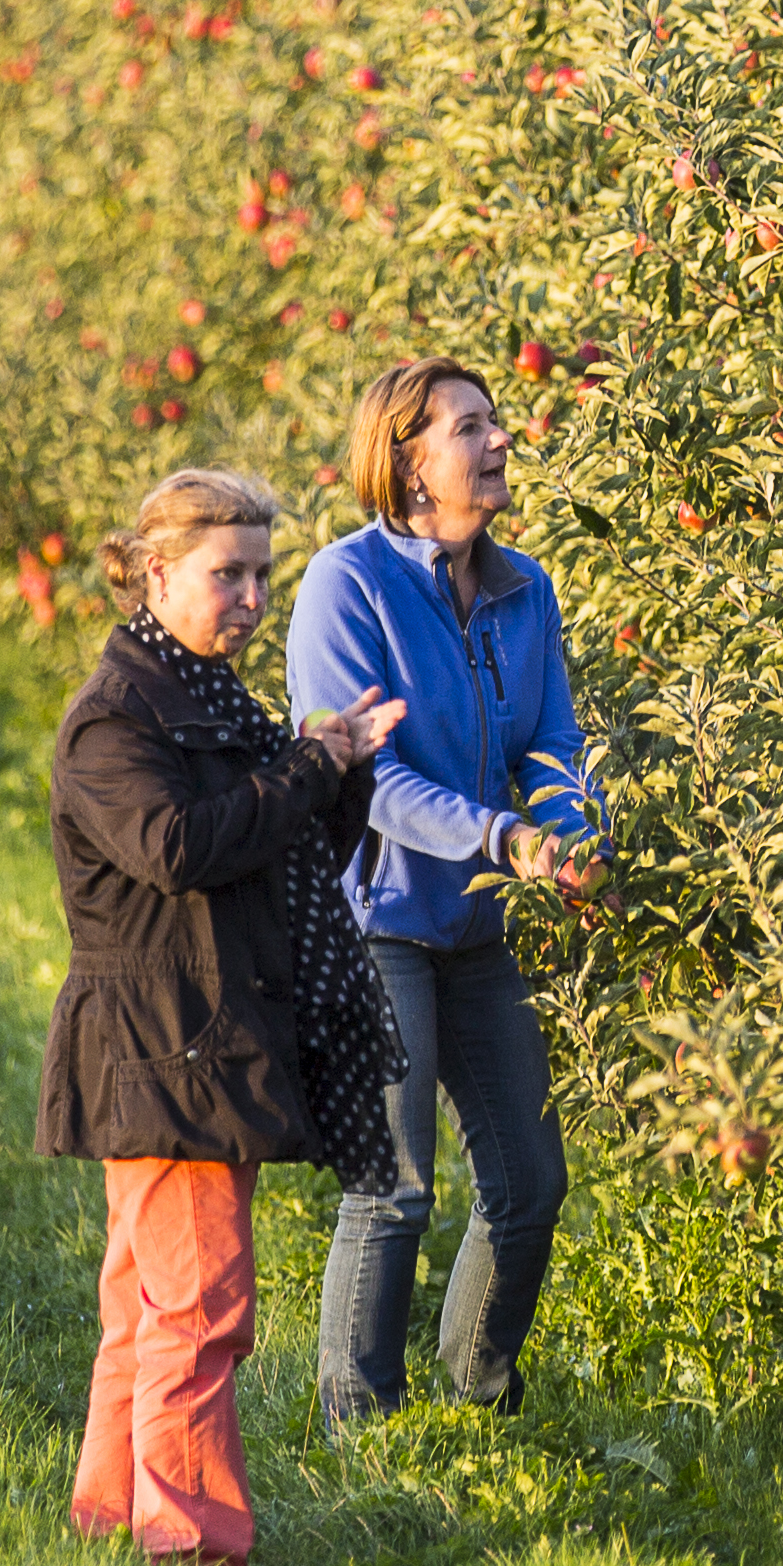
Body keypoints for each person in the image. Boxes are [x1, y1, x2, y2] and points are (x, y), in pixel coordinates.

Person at [40, 467, 408, 1566]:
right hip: (164, 1045)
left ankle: (118, 1517)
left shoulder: (207, 699)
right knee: (201, 1306)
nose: (249, 597)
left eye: (262, 574)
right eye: (225, 574)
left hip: (190, 1037)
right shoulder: (119, 717)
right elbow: (181, 849)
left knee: (147, 1303)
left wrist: (338, 773)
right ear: (155, 573)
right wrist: (309, 762)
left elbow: (279, 860)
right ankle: (195, 1547)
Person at [290, 357, 599, 1424]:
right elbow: (364, 774)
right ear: (409, 462)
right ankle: (359, 1427)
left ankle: (478, 1407)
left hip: (480, 922)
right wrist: (498, 835)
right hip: (377, 921)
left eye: (494, 421)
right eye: (471, 428)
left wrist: (575, 834)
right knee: (396, 1189)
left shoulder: (524, 592)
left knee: (529, 1185)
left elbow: (552, 743)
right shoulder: (348, 584)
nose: (499, 439)